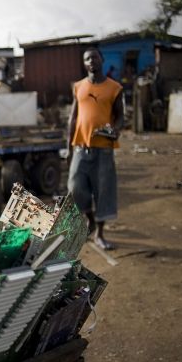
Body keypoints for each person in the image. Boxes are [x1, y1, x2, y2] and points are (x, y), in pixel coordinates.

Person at [67, 47, 124, 250]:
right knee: (75, 189)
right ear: (84, 63)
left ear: (102, 59)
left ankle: (99, 234)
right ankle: (89, 218)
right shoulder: (79, 86)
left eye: (94, 57)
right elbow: (73, 117)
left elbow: (120, 116)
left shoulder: (114, 87)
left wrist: (115, 130)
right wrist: (68, 147)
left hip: (104, 149)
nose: (91, 61)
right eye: (87, 59)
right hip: (81, 147)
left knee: (103, 192)